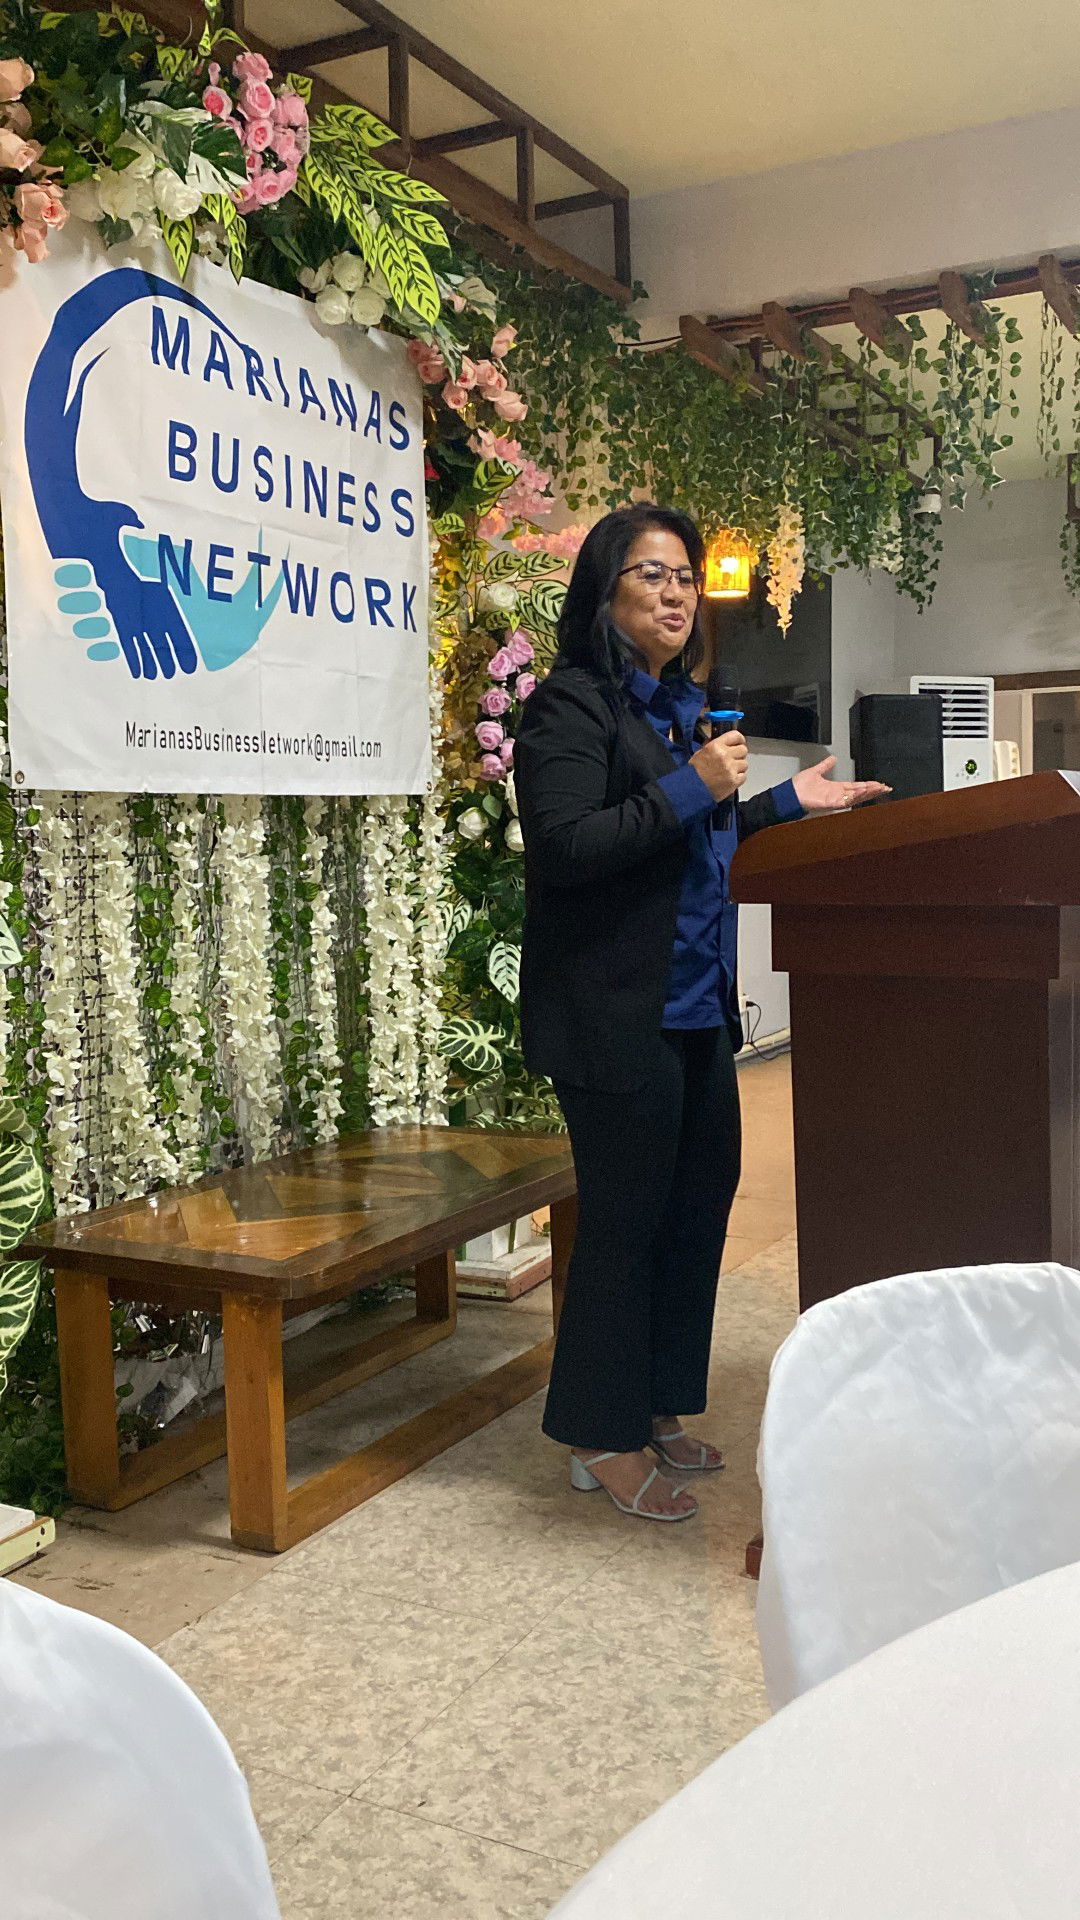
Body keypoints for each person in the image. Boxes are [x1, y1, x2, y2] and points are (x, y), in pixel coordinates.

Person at [513, 504, 888, 1522]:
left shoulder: (683, 712)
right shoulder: (569, 709)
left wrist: (778, 808)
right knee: (626, 1224)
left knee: (695, 1208)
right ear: (605, 593)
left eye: (685, 577)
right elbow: (569, 849)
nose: (677, 593)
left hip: (693, 1009)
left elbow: (698, 841)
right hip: (611, 1014)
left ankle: (658, 1402)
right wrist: (694, 788)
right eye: (651, 575)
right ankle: (599, 1431)